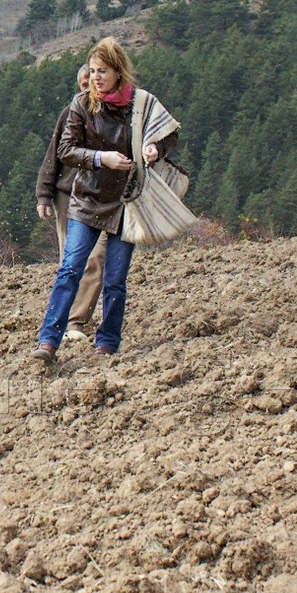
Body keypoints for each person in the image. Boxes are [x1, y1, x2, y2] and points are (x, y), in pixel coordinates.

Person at [32, 37, 178, 360]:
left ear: (118, 71)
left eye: (102, 71)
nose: (96, 77)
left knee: (115, 279)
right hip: (86, 201)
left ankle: (107, 344)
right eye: (93, 71)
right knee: (70, 269)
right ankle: (48, 340)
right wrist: (102, 159)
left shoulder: (141, 103)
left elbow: (169, 132)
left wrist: (156, 149)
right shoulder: (81, 105)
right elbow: (64, 150)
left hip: (126, 203)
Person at [35, 64, 106, 342]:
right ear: (81, 86)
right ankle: (66, 321)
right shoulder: (71, 113)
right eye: (87, 83)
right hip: (68, 195)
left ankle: (76, 320)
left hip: (104, 197)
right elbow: (54, 154)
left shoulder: (116, 116)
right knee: (72, 260)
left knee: (98, 257)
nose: (93, 87)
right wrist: (44, 193)